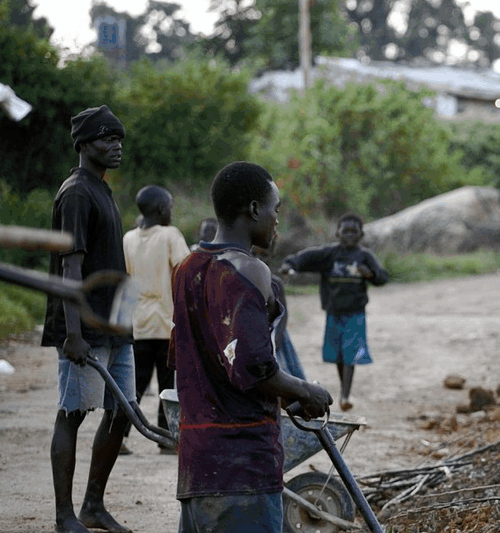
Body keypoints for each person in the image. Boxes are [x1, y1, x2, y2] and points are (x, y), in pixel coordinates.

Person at [170, 161, 332, 532]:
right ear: (255, 210)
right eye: (275, 208)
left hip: (197, 466)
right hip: (243, 466)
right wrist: (306, 389)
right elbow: (255, 366)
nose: (277, 219)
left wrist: (288, 394)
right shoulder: (249, 270)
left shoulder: (186, 268)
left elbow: (198, 359)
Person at [42, 105, 136, 533]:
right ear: (83, 145)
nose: (115, 145)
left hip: (115, 327)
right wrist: (73, 335)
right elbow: (70, 268)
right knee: (73, 414)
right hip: (85, 329)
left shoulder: (102, 189)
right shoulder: (77, 192)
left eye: (118, 139)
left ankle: (93, 505)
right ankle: (65, 516)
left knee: (122, 412)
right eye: (105, 138)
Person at [280, 213, 389, 412]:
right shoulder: (330, 254)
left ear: (361, 234)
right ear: (337, 233)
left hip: (355, 314)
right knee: (339, 355)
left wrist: (371, 274)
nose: (349, 235)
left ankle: (346, 395)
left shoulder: (365, 256)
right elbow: (306, 257)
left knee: (350, 354)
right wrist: (290, 264)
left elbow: (382, 277)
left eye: (353, 231)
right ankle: (344, 390)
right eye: (345, 231)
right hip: (333, 313)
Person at [122, 185, 191, 455]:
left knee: (135, 384)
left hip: (138, 322)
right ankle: (166, 438)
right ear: (162, 209)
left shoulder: (128, 238)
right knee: (167, 385)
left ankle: (120, 436)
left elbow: (125, 280)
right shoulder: (169, 235)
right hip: (166, 322)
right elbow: (186, 268)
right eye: (170, 206)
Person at [254, 239, 306, 380]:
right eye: (254, 254)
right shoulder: (241, 281)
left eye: (264, 255)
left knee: (285, 377)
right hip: (254, 340)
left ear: (271, 257)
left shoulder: (276, 284)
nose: (258, 259)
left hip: (275, 338)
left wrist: (276, 342)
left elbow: (283, 315)